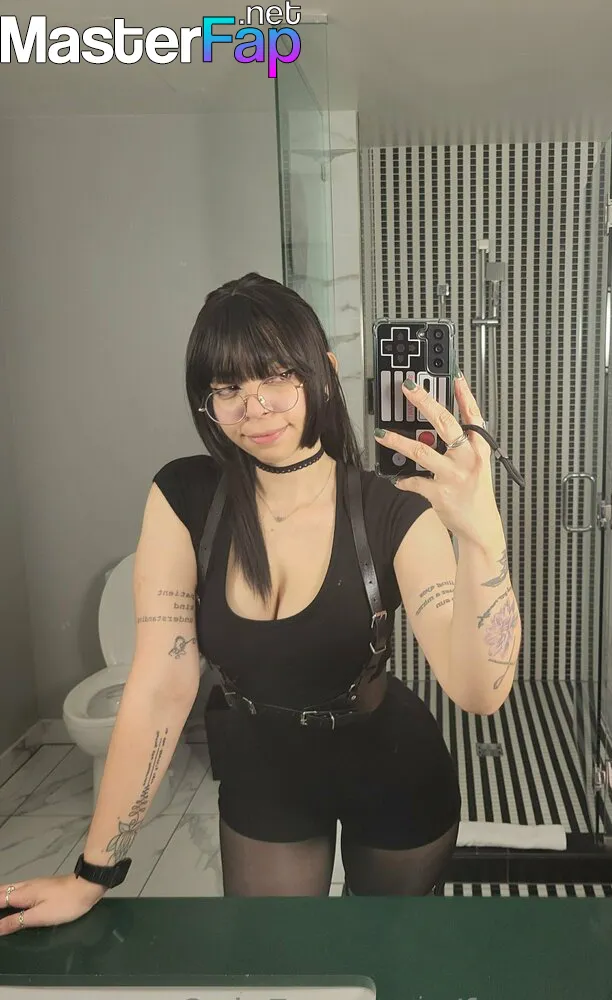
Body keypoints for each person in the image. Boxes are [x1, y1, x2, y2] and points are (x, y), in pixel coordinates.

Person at [0, 273, 520, 935]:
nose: (256, 408)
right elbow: (159, 686)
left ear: (322, 371)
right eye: (228, 389)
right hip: (266, 776)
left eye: (277, 377)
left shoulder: (392, 510)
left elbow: (479, 691)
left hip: (394, 770)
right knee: (274, 959)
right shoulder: (185, 497)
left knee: (380, 959)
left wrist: (482, 537)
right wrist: (91, 874)